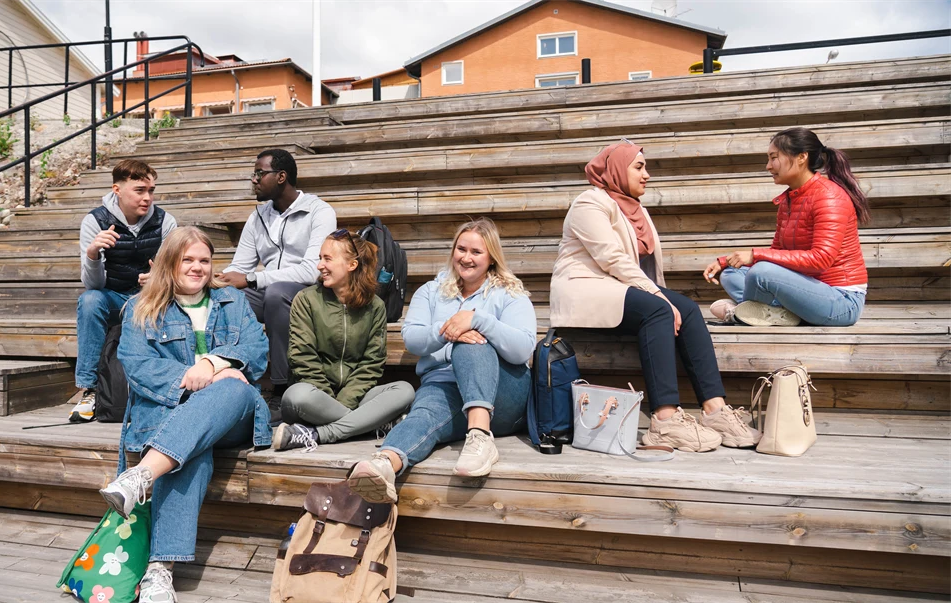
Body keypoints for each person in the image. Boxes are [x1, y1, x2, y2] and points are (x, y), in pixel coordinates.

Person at [550, 141, 759, 453]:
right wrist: (660, 301)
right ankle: (664, 421)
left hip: (618, 289)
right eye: (639, 167)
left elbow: (642, 269)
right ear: (617, 170)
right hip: (585, 289)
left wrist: (667, 301)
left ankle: (715, 410)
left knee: (687, 308)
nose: (646, 175)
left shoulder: (636, 210)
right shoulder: (589, 203)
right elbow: (612, 259)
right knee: (660, 310)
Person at [103, 227, 269, 602]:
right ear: (169, 263)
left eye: (204, 261)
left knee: (233, 387)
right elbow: (137, 365)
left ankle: (142, 475)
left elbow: (257, 352)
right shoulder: (142, 307)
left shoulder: (232, 301)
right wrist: (193, 378)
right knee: (191, 450)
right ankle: (160, 572)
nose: (197, 268)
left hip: (233, 415)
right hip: (171, 415)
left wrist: (212, 363)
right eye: (188, 260)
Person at [346, 218, 536, 504]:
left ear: (491, 257)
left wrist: (477, 321)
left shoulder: (510, 294)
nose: (466, 258)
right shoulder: (431, 291)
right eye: (461, 249)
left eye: (476, 252)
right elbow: (413, 338)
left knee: (472, 346)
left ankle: (481, 436)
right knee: (424, 415)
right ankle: (385, 464)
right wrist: (450, 330)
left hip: (504, 395)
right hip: (445, 386)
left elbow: (522, 349)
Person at [704, 127, 869, 327]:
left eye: (774, 158)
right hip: (806, 288)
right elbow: (778, 253)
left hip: (841, 300)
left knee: (761, 272)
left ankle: (745, 312)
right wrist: (726, 261)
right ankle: (768, 313)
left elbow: (822, 259)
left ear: (801, 157)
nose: (768, 166)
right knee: (732, 274)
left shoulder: (829, 197)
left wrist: (755, 255)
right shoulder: (789, 199)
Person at [273, 229, 415, 451]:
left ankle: (317, 434)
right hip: (313, 398)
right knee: (296, 396)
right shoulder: (306, 300)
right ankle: (369, 425)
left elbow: (371, 364)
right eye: (320, 258)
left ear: (352, 265)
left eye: (327, 259)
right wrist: (330, 401)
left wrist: (344, 402)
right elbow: (303, 359)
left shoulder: (375, 306)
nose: (320, 265)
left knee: (405, 390)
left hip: (356, 396)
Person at [218, 149, 337, 400]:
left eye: (260, 173)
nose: (254, 179)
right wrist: (212, 279)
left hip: (311, 293)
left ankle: (282, 385)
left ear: (281, 176)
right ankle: (230, 381)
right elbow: (240, 266)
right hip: (269, 291)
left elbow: (310, 270)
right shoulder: (258, 216)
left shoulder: (319, 211)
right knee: (225, 296)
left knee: (276, 294)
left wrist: (252, 279)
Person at [70, 159, 177, 421]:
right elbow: (93, 285)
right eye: (139, 190)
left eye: (151, 190)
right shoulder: (95, 221)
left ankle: (148, 388)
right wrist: (93, 254)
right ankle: (91, 389)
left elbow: (176, 275)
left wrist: (158, 280)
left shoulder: (165, 222)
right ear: (117, 190)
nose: (148, 197)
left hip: (150, 297)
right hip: (114, 297)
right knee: (90, 300)